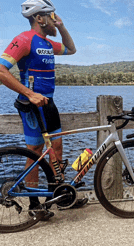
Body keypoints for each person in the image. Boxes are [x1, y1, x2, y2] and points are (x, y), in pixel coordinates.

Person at [0, 0, 88, 220]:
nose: (53, 19)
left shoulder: (47, 43)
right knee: (35, 151)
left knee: (56, 149)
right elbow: (1, 70)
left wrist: (61, 26)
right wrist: (29, 94)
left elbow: (72, 49)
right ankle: (34, 204)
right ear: (39, 18)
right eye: (50, 16)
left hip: (49, 103)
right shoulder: (24, 40)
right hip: (31, 104)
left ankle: (61, 197)